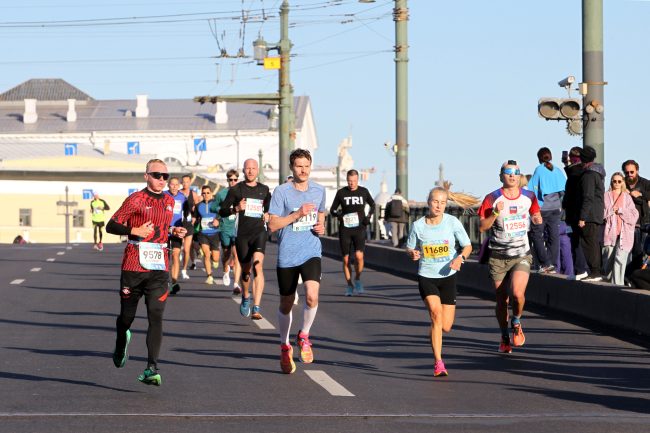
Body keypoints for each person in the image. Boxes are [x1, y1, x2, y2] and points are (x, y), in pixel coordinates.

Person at [106, 159, 187, 386]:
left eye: (165, 176)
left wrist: (174, 231)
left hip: (159, 268)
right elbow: (111, 225)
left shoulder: (170, 201)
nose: (162, 180)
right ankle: (122, 338)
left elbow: (160, 228)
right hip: (133, 266)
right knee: (127, 318)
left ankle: (151, 367)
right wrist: (134, 230)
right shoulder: (136, 199)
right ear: (146, 176)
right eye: (156, 175)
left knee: (156, 315)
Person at [268, 148, 327, 374]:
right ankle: (284, 345)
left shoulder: (319, 190)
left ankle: (304, 335)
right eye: (299, 166)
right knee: (286, 302)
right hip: (288, 254)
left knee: (312, 295)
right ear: (292, 168)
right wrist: (296, 215)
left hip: (311, 250)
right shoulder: (281, 192)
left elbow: (321, 215)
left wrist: (320, 226)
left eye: (307, 166)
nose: (303, 170)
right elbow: (272, 226)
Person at [406, 187, 473, 377]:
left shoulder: (452, 222)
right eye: (435, 201)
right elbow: (409, 247)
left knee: (445, 326)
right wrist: (412, 253)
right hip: (427, 276)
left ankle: (434, 333)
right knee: (436, 314)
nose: (439, 205)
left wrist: (461, 258)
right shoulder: (418, 225)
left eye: (443, 202)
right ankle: (439, 362)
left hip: (448, 277)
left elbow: (467, 246)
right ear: (428, 202)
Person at [479, 160, 542, 354]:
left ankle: (516, 321)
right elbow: (482, 227)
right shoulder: (492, 198)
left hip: (521, 254)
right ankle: (504, 336)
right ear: (501, 176)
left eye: (516, 172)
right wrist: (495, 213)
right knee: (501, 300)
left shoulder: (529, 197)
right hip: (498, 256)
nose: (512, 175)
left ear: (519, 176)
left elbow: (536, 214)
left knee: (517, 294)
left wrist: (537, 219)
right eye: (508, 172)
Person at [218, 159, 271, 320]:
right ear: (243, 170)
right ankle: (246, 296)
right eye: (248, 168)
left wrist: (268, 214)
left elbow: (270, 208)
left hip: (259, 232)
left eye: (253, 168)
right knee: (246, 272)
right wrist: (236, 208)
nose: (250, 171)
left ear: (258, 170)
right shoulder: (236, 190)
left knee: (258, 266)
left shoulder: (264, 189)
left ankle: (256, 307)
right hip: (242, 235)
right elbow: (222, 211)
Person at [329, 169, 375, 296]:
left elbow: (373, 204)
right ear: (347, 180)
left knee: (359, 256)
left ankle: (358, 279)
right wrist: (339, 215)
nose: (352, 184)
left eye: (354, 181)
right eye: (349, 181)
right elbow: (333, 210)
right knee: (346, 259)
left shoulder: (363, 191)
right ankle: (349, 285)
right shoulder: (341, 193)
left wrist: (368, 217)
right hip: (345, 229)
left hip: (359, 228)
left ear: (357, 180)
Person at [527, 147, 566, 273]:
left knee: (537, 235)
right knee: (553, 236)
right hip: (556, 208)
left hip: (541, 209)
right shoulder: (557, 170)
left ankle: (545, 263)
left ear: (539, 158)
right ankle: (552, 264)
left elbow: (532, 190)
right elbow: (563, 190)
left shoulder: (539, 170)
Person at [575, 146, 606, 282]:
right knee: (592, 241)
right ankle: (595, 271)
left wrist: (583, 217)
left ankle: (594, 272)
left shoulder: (588, 175)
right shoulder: (598, 174)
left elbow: (587, 197)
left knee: (589, 242)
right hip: (596, 214)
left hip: (590, 215)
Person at [602, 172, 638, 285]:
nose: (617, 183)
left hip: (625, 234)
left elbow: (634, 215)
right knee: (608, 262)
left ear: (623, 182)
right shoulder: (605, 195)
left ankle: (617, 286)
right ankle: (607, 281)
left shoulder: (627, 197)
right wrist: (612, 211)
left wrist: (621, 211)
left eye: (619, 181)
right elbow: (600, 214)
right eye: (614, 181)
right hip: (609, 233)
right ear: (611, 182)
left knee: (620, 259)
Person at [211, 169, 242, 294]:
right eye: (230, 180)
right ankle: (225, 270)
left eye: (235, 180)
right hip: (225, 227)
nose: (233, 182)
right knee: (227, 254)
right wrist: (223, 210)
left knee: (237, 255)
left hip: (238, 227)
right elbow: (213, 207)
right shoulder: (221, 194)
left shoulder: (241, 193)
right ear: (227, 180)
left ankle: (236, 283)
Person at [563, 146, 589, 280]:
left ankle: (580, 269)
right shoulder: (584, 173)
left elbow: (570, 194)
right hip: (579, 213)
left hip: (574, 214)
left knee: (576, 242)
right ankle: (582, 269)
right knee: (582, 242)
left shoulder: (575, 174)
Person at [622, 160, 650, 277]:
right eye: (627, 172)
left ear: (637, 171)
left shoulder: (645, 183)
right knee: (627, 253)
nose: (629, 174)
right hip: (627, 224)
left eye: (632, 172)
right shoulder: (621, 182)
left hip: (643, 223)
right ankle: (629, 277)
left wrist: (640, 194)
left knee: (640, 253)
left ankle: (636, 277)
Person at [164, 176, 186, 295]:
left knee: (176, 255)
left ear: (179, 186)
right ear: (168, 185)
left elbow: (187, 212)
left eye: (176, 185)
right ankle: (165, 281)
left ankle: (174, 281)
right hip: (165, 230)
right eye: (172, 184)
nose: (174, 187)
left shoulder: (182, 197)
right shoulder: (163, 195)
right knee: (165, 257)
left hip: (177, 230)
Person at [196, 185, 221, 285]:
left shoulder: (216, 204)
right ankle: (209, 276)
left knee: (215, 258)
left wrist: (218, 220)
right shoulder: (199, 206)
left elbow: (222, 214)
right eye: (203, 193)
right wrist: (194, 220)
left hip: (214, 233)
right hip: (203, 233)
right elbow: (196, 217)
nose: (206, 195)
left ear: (211, 193)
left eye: (207, 193)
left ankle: (214, 259)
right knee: (206, 254)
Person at [180, 174, 200, 280]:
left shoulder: (194, 194)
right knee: (178, 249)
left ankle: (184, 269)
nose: (185, 184)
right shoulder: (178, 194)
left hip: (189, 224)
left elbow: (197, 209)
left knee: (186, 249)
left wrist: (194, 216)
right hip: (179, 223)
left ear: (190, 182)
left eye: (187, 182)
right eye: (183, 182)